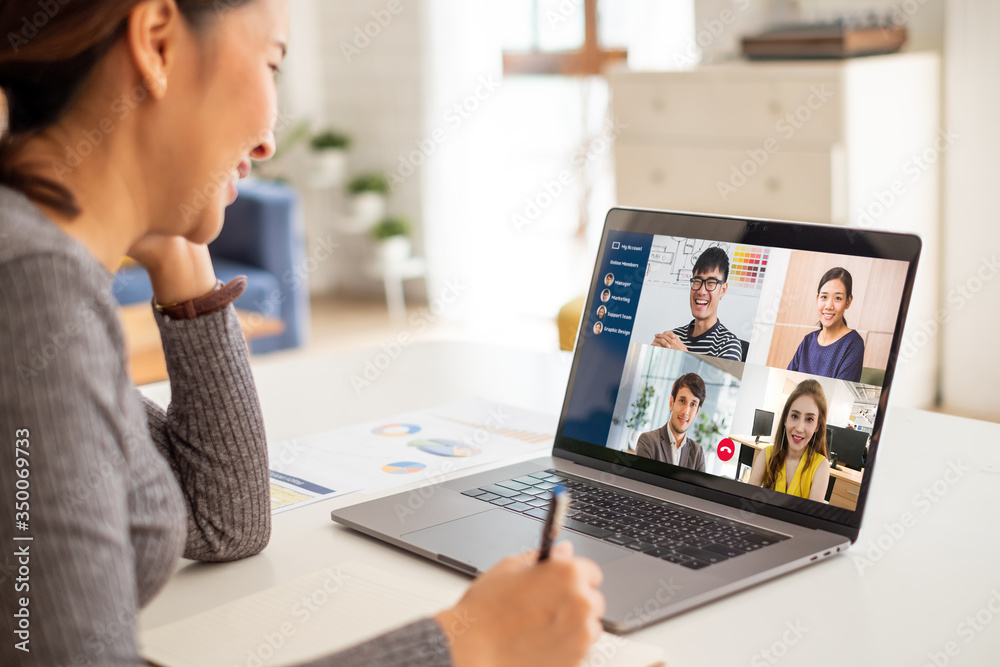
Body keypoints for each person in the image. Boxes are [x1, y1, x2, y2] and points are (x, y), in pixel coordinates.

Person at [0, 2, 604, 666]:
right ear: (158, 42)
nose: (267, 142)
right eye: (270, 63)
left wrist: (178, 257)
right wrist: (469, 644)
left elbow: (223, 518)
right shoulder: (30, 284)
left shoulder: (39, 266)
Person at [652, 246, 742, 361]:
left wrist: (683, 353)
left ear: (723, 290)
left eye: (710, 283)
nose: (701, 291)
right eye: (697, 281)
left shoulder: (729, 345)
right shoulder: (674, 337)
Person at [748, 379, 831, 502]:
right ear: (786, 419)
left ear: (817, 426)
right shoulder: (767, 454)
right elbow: (746, 500)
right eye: (795, 416)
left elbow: (810, 520)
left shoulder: (821, 466)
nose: (799, 428)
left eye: (809, 419)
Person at [787, 267, 865, 382]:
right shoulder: (808, 340)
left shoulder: (853, 343)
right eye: (824, 297)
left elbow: (840, 394)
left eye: (838, 298)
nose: (829, 306)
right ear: (817, 299)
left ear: (848, 302)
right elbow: (787, 381)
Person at [635, 373, 707, 472]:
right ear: (671, 403)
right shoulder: (648, 442)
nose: (685, 411)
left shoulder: (697, 453)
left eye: (693, 404)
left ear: (697, 412)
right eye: (682, 401)